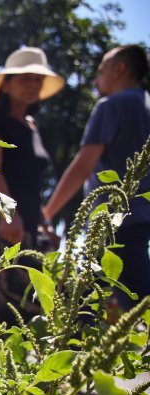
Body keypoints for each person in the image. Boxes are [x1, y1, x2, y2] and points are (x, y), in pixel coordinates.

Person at [0, 47, 65, 352]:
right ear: (6, 84)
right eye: (24, 78)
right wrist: (9, 215)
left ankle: (9, 384)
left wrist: (43, 222)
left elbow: (32, 183)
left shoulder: (31, 126)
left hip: (27, 225)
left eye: (37, 79)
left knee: (26, 305)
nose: (32, 84)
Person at [43, 45, 150, 310]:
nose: (96, 79)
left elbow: (83, 166)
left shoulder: (110, 106)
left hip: (112, 222)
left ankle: (68, 349)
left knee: (82, 305)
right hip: (141, 218)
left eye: (101, 70)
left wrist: (48, 213)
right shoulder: (145, 105)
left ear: (119, 69)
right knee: (127, 298)